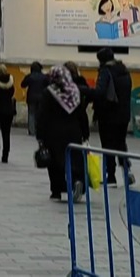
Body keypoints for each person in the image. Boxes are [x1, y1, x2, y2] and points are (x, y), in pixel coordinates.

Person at [38, 66, 88, 202]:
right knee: (75, 159)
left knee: (54, 162)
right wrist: (85, 133)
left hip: (53, 132)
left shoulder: (48, 93)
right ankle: (77, 181)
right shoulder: (74, 92)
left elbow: (42, 115)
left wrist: (40, 135)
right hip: (74, 131)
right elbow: (82, 115)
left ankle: (56, 190)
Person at [93, 49, 134, 186]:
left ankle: (111, 177)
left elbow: (100, 91)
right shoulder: (124, 71)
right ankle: (126, 170)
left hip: (108, 114)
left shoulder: (106, 71)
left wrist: (85, 91)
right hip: (124, 114)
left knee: (108, 145)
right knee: (121, 143)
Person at [21, 62, 48, 136]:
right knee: (40, 114)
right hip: (42, 98)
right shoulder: (44, 77)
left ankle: (31, 131)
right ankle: (39, 129)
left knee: (31, 114)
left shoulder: (29, 76)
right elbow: (48, 85)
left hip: (31, 97)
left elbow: (22, 85)